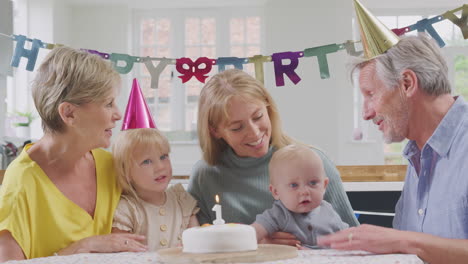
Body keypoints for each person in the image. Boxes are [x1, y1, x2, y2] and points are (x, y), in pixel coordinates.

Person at [318, 1, 468, 263]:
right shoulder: (417, 154)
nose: (365, 113)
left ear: (407, 83)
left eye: (370, 95)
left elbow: (409, 244)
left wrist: (401, 241)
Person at [0, 46, 147, 261]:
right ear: (69, 113)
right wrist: (81, 248)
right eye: (108, 103)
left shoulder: (111, 165)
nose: (118, 114)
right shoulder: (22, 183)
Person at [188, 68, 358, 246]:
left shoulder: (313, 162)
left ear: (268, 109)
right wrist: (258, 244)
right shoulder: (205, 176)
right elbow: (198, 246)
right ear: (215, 131)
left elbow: (354, 239)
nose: (254, 133)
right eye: (237, 127)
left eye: (258, 116)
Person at [111, 128, 199, 250]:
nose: (160, 167)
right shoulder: (127, 210)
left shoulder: (181, 200)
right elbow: (120, 254)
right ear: (127, 172)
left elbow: (197, 242)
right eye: (147, 161)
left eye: (163, 157)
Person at [252, 145, 348, 248]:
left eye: (313, 182)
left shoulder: (329, 212)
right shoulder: (278, 214)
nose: (304, 192)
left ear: (324, 185)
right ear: (276, 192)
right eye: (294, 185)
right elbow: (252, 233)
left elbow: (350, 238)